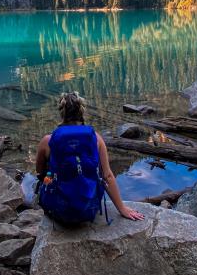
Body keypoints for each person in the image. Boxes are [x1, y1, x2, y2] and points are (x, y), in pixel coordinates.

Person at [35, 92, 144, 221]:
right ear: (82, 112)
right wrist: (122, 208)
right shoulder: (96, 138)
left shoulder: (48, 140)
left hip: (59, 212)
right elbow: (107, 176)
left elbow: (39, 171)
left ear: (62, 113)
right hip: (89, 209)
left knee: (44, 179)